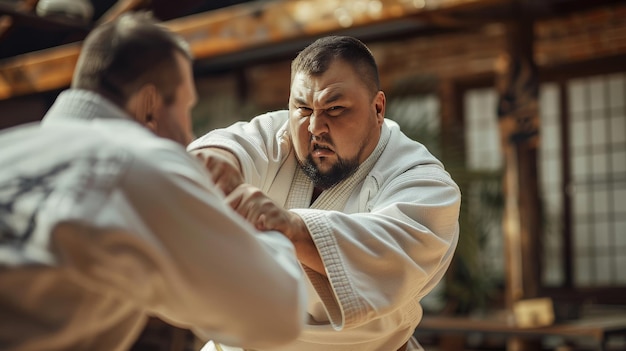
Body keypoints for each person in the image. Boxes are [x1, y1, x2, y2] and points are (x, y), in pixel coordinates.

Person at [0, 12, 307, 351]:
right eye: (186, 109)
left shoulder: (8, 147)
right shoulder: (139, 161)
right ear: (149, 106)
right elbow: (275, 314)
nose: (190, 135)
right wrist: (266, 225)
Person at [190, 35, 461, 351]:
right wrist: (214, 165)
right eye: (303, 107)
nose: (315, 126)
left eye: (335, 108)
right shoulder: (279, 135)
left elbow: (390, 258)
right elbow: (232, 147)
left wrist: (290, 228)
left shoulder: (422, 180)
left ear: (377, 108)